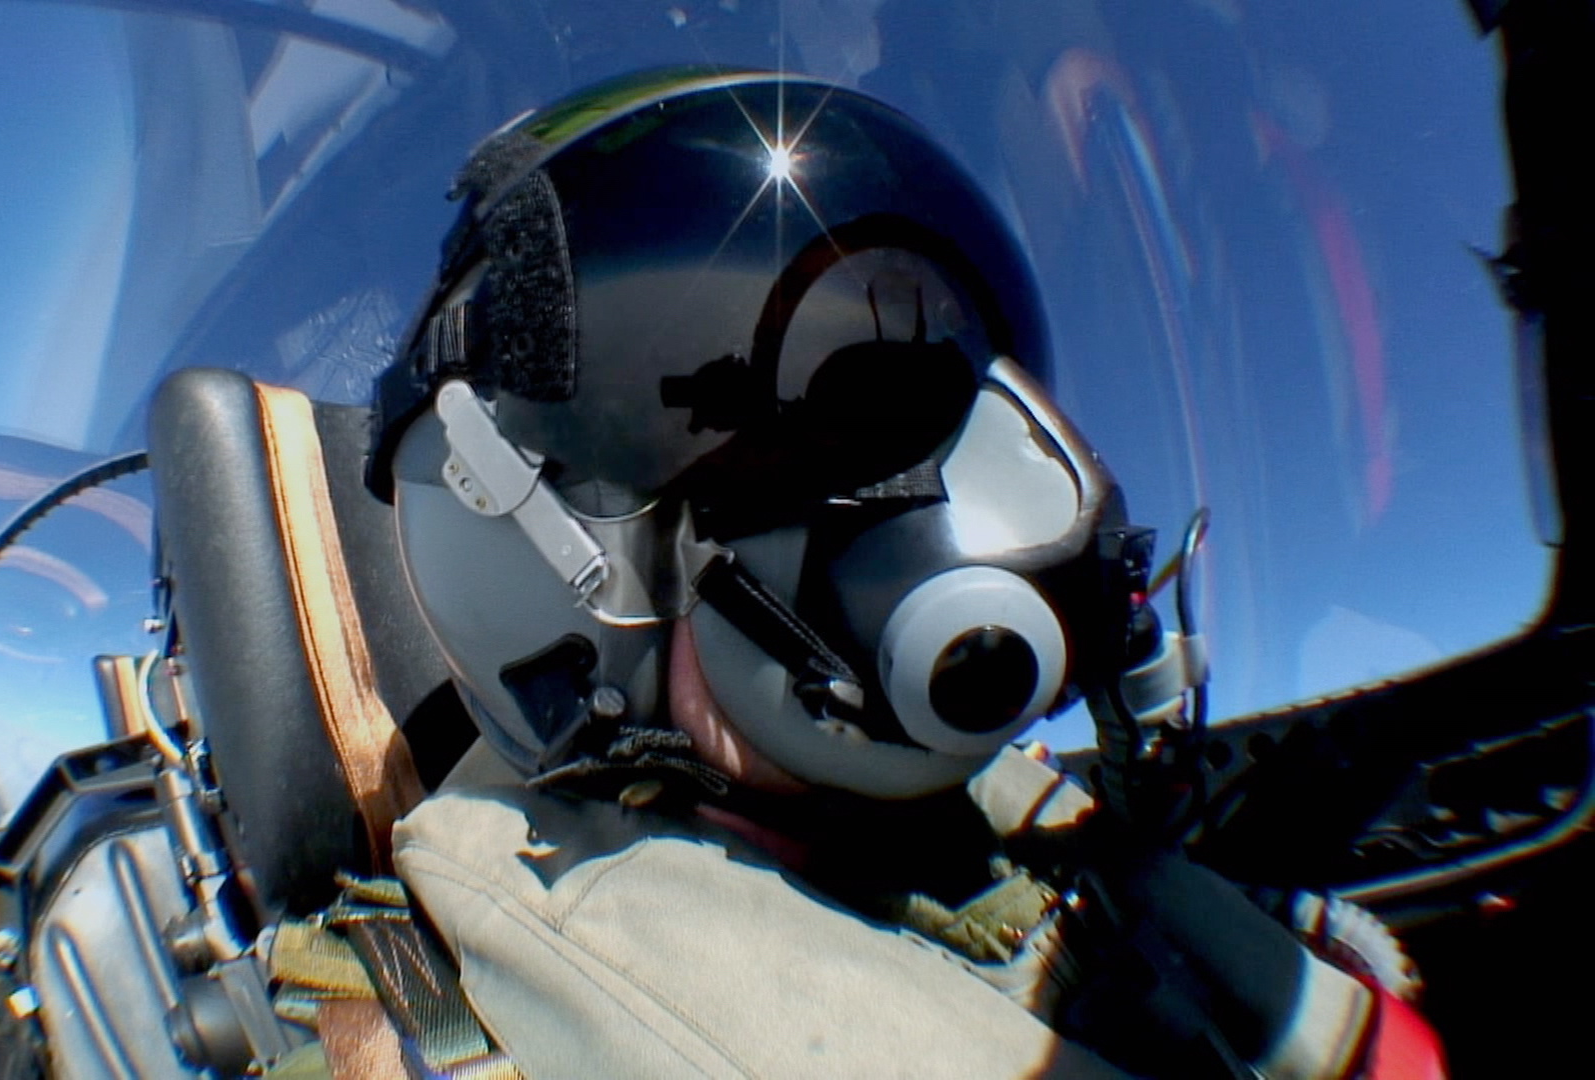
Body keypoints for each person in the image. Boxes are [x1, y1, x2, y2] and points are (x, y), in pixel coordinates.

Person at [363, 67, 1440, 1079]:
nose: (970, 480)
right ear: (547, 560)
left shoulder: (1006, 843)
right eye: (827, 430)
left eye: (935, 399)